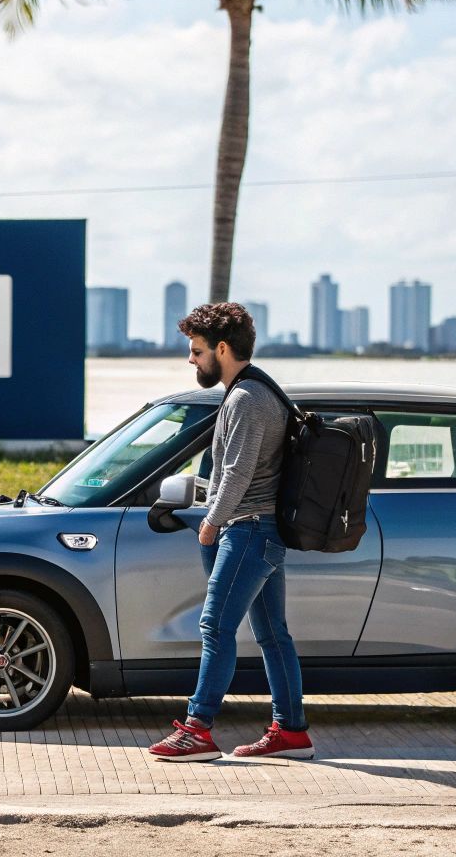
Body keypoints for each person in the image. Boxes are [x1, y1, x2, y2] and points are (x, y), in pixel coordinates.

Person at [147, 302, 314, 762]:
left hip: (248, 529)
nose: (191, 360)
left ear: (222, 348)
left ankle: (197, 730)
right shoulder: (257, 390)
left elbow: (237, 472)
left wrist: (211, 521)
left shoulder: (246, 398)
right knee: (273, 634)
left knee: (216, 626)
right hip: (261, 529)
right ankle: (291, 731)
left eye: (197, 351)